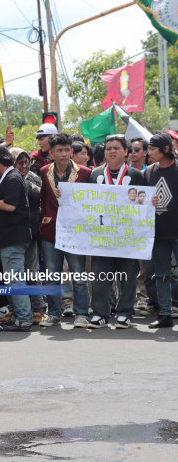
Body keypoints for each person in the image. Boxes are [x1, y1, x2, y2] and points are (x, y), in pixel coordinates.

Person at [87, 135, 144, 329]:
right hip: (102, 236)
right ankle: (100, 313)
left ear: (125, 152)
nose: (112, 151)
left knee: (128, 275)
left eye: (116, 148)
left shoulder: (137, 175)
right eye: (109, 148)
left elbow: (143, 202)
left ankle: (125, 312)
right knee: (100, 276)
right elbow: (85, 202)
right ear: (104, 152)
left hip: (128, 236)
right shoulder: (94, 174)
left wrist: (149, 201)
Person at [38, 133, 92, 328]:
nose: (63, 154)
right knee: (52, 275)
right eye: (59, 150)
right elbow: (42, 199)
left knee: (78, 275)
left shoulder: (85, 173)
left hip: (75, 232)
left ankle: (82, 314)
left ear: (71, 150)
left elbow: (92, 202)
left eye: (67, 150)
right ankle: (53, 314)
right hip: (51, 231)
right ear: (51, 152)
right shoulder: (43, 171)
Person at [0, 144, 34, 331]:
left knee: (15, 279)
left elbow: (10, 206)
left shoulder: (12, 178)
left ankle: (25, 318)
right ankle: (21, 316)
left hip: (13, 237)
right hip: (10, 237)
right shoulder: (10, 177)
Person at [10, 147, 45, 324]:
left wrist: (23, 180)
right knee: (14, 274)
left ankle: (38, 308)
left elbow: (38, 193)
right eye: (19, 162)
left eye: (26, 162)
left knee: (32, 272)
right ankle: (15, 309)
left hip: (31, 231)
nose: (23, 166)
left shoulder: (33, 177)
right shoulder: (8, 178)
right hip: (13, 232)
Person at [146, 132, 178, 328]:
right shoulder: (149, 172)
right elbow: (139, 199)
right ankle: (165, 314)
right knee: (161, 275)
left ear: (166, 149)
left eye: (152, 149)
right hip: (157, 233)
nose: (149, 152)